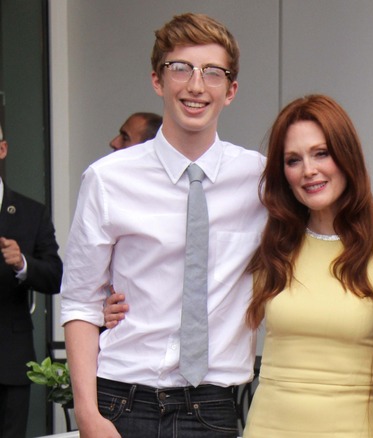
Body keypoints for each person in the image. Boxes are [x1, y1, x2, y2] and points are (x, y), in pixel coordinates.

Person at [61, 13, 266, 438]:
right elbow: (80, 302)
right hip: (120, 401)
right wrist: (87, 415)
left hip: (212, 407)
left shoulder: (261, 181)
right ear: (158, 81)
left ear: (231, 91)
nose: (195, 85)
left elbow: (329, 218)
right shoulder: (107, 179)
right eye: (180, 69)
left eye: (212, 73)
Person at [242, 94, 373, 437]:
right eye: (293, 160)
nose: (308, 170)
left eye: (321, 153)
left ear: (347, 155)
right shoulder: (270, 248)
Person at [0, 122, 63, 438]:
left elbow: (54, 276)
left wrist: (23, 263)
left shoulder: (30, 212)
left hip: (9, 357)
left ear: (2, 150)